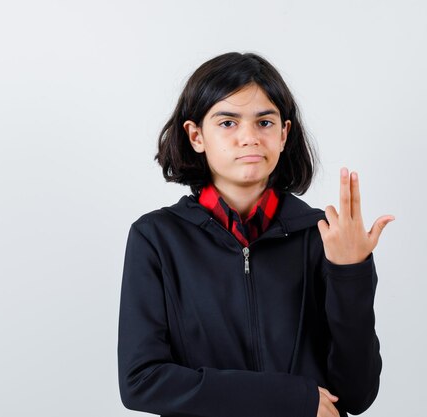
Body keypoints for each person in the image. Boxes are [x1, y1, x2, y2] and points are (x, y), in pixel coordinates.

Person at [117, 52, 395, 417]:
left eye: (264, 122)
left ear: (284, 134)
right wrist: (287, 397)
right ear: (196, 135)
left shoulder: (323, 237)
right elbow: (142, 381)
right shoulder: (156, 238)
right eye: (228, 123)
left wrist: (350, 271)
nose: (249, 138)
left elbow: (356, 395)